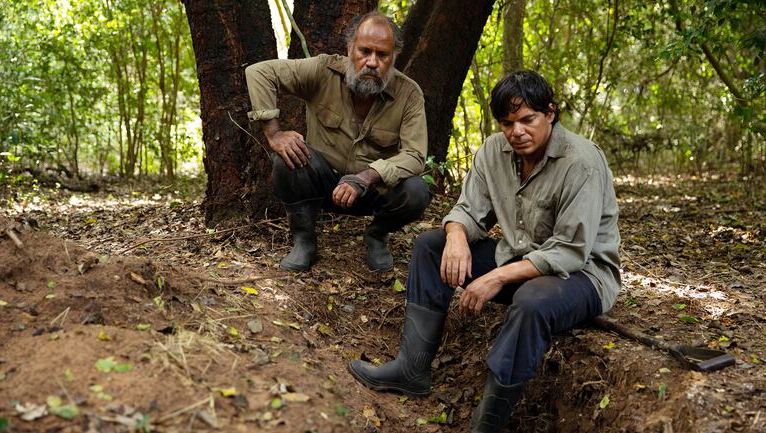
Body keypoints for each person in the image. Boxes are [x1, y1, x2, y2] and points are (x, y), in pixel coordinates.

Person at [348, 70, 621, 432]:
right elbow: (467, 209)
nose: (517, 132)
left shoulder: (581, 162)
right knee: (432, 245)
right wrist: (457, 234)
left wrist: (495, 277)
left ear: (551, 113)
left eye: (528, 120)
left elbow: (570, 251)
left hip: (580, 276)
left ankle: (488, 423)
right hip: (517, 258)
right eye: (507, 123)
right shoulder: (495, 150)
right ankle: (411, 370)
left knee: (533, 301)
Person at [244, 11, 430, 273]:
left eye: (382, 55)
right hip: (323, 183)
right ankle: (304, 241)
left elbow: (414, 156)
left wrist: (366, 177)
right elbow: (259, 72)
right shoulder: (323, 70)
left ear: (394, 57)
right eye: (365, 51)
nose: (372, 62)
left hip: (372, 191)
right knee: (286, 157)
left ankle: (376, 236)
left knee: (417, 191)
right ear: (350, 48)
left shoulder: (409, 94)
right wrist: (274, 134)